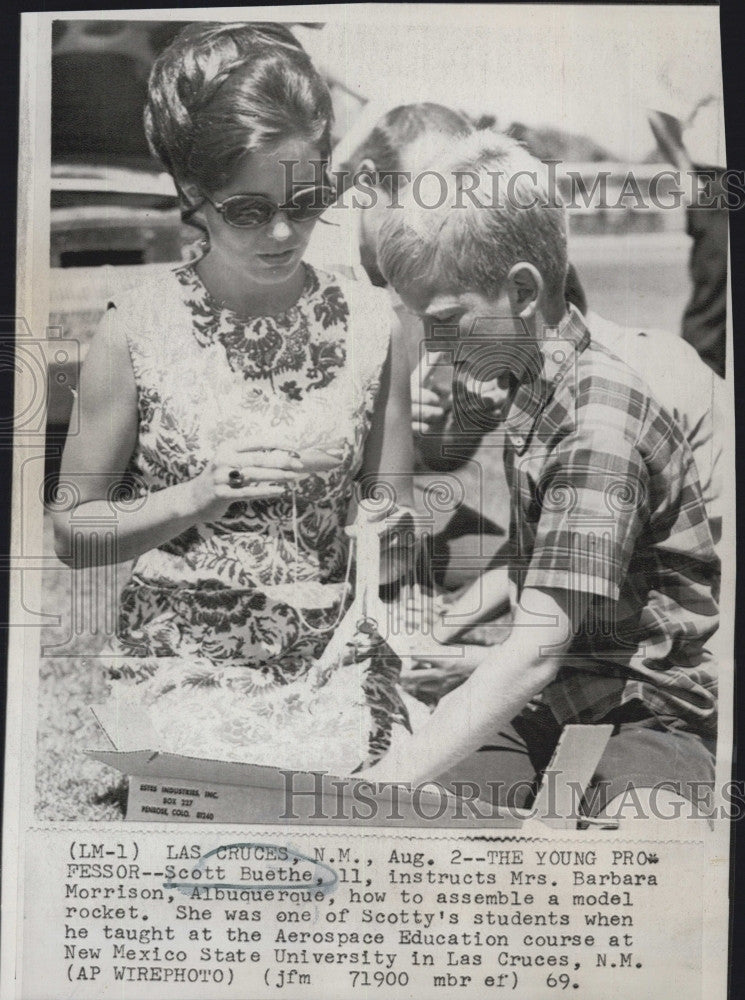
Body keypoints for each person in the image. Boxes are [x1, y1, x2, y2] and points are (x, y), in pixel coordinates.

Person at [52, 22, 418, 775]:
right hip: (183, 667)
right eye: (247, 210)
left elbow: (396, 515)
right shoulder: (135, 328)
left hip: (330, 663)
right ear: (194, 194)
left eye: (307, 199)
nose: (284, 231)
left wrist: (384, 527)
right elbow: (72, 532)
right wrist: (193, 497)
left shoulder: (375, 322)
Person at [361, 130, 720, 823]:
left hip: (643, 717)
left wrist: (382, 784)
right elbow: (539, 594)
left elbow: (533, 652)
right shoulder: (533, 387)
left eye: (443, 320)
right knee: (429, 827)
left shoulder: (595, 426)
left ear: (522, 290)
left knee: (636, 853)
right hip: (558, 699)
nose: (433, 345)